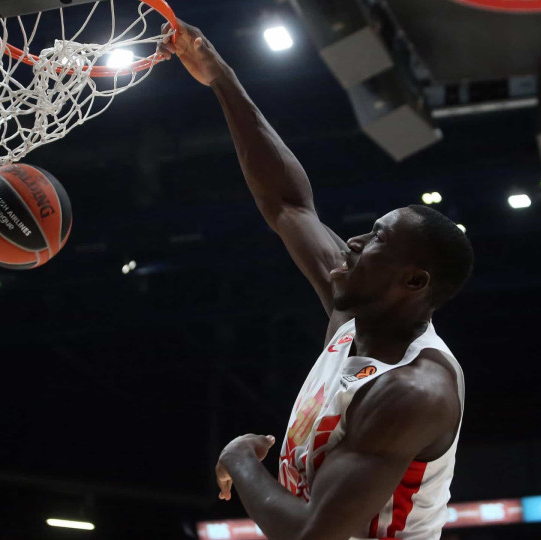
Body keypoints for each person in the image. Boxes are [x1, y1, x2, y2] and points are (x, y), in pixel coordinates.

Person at [160, 20, 473, 540]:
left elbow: (314, 537)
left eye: (375, 239)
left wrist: (240, 461)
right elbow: (287, 203)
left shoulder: (414, 391)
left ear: (413, 282)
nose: (351, 242)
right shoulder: (355, 308)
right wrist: (221, 77)